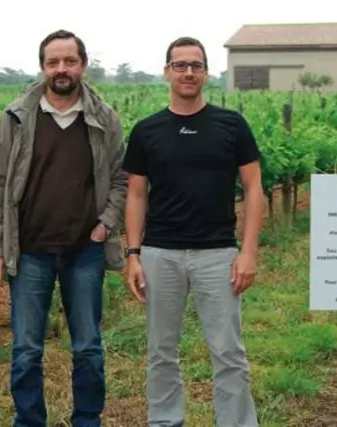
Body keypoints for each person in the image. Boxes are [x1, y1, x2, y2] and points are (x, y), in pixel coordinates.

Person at [0, 29, 127, 427]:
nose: (61, 69)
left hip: (85, 251)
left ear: (83, 64)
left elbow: (120, 180)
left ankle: (87, 420)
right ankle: (29, 422)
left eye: (69, 61)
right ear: (43, 66)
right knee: (26, 350)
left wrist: (105, 226)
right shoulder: (15, 118)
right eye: (53, 62)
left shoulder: (104, 118)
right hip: (29, 252)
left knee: (88, 348)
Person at [121, 36, 265, 426]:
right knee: (161, 351)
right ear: (166, 71)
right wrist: (133, 254)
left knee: (228, 352)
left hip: (217, 254)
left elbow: (254, 189)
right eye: (180, 65)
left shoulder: (231, 125)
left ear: (206, 72)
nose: (188, 72)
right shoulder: (146, 130)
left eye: (195, 65)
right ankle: (166, 421)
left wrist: (248, 252)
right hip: (159, 254)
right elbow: (135, 195)